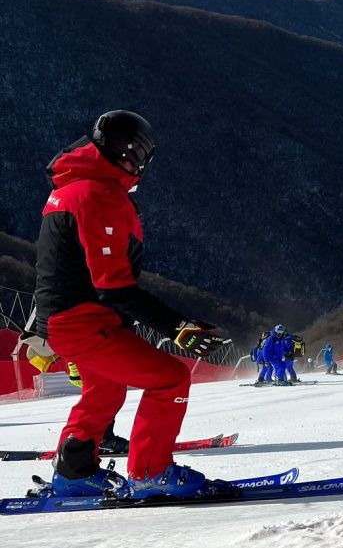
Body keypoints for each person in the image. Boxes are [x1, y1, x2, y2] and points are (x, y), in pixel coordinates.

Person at [34, 110, 227, 498]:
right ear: (112, 148)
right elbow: (114, 286)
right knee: (170, 378)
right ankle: (151, 473)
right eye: (133, 151)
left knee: (104, 391)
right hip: (84, 323)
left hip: (72, 320)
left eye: (141, 154)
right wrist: (178, 327)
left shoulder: (76, 187)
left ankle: (73, 472)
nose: (135, 160)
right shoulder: (96, 194)